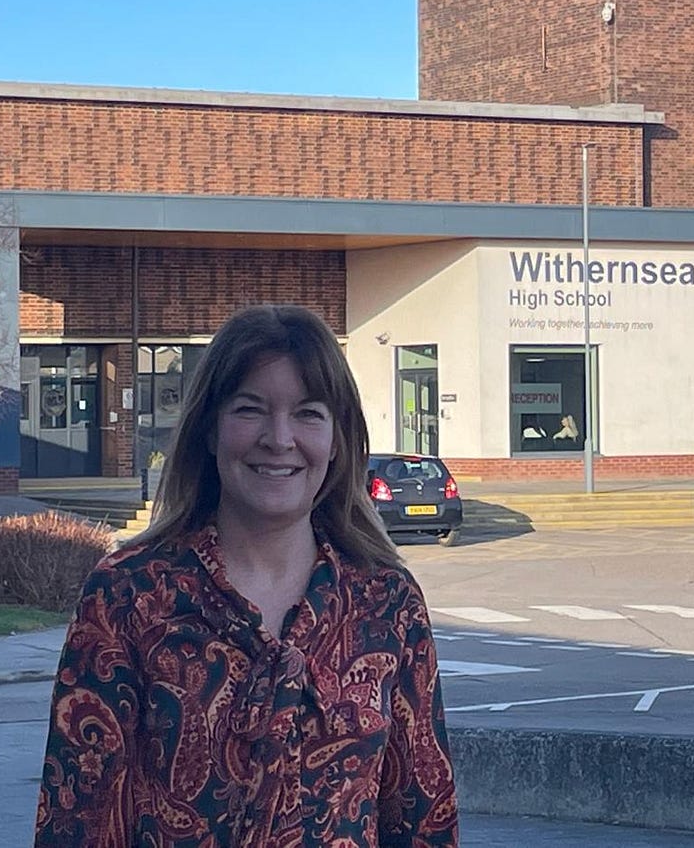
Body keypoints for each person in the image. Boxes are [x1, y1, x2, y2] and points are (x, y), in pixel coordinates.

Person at [35, 304, 459, 847]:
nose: (279, 439)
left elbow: (424, 818)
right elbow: (77, 820)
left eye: (308, 414)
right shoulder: (129, 596)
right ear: (210, 430)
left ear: (337, 440)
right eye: (250, 410)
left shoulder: (387, 603)